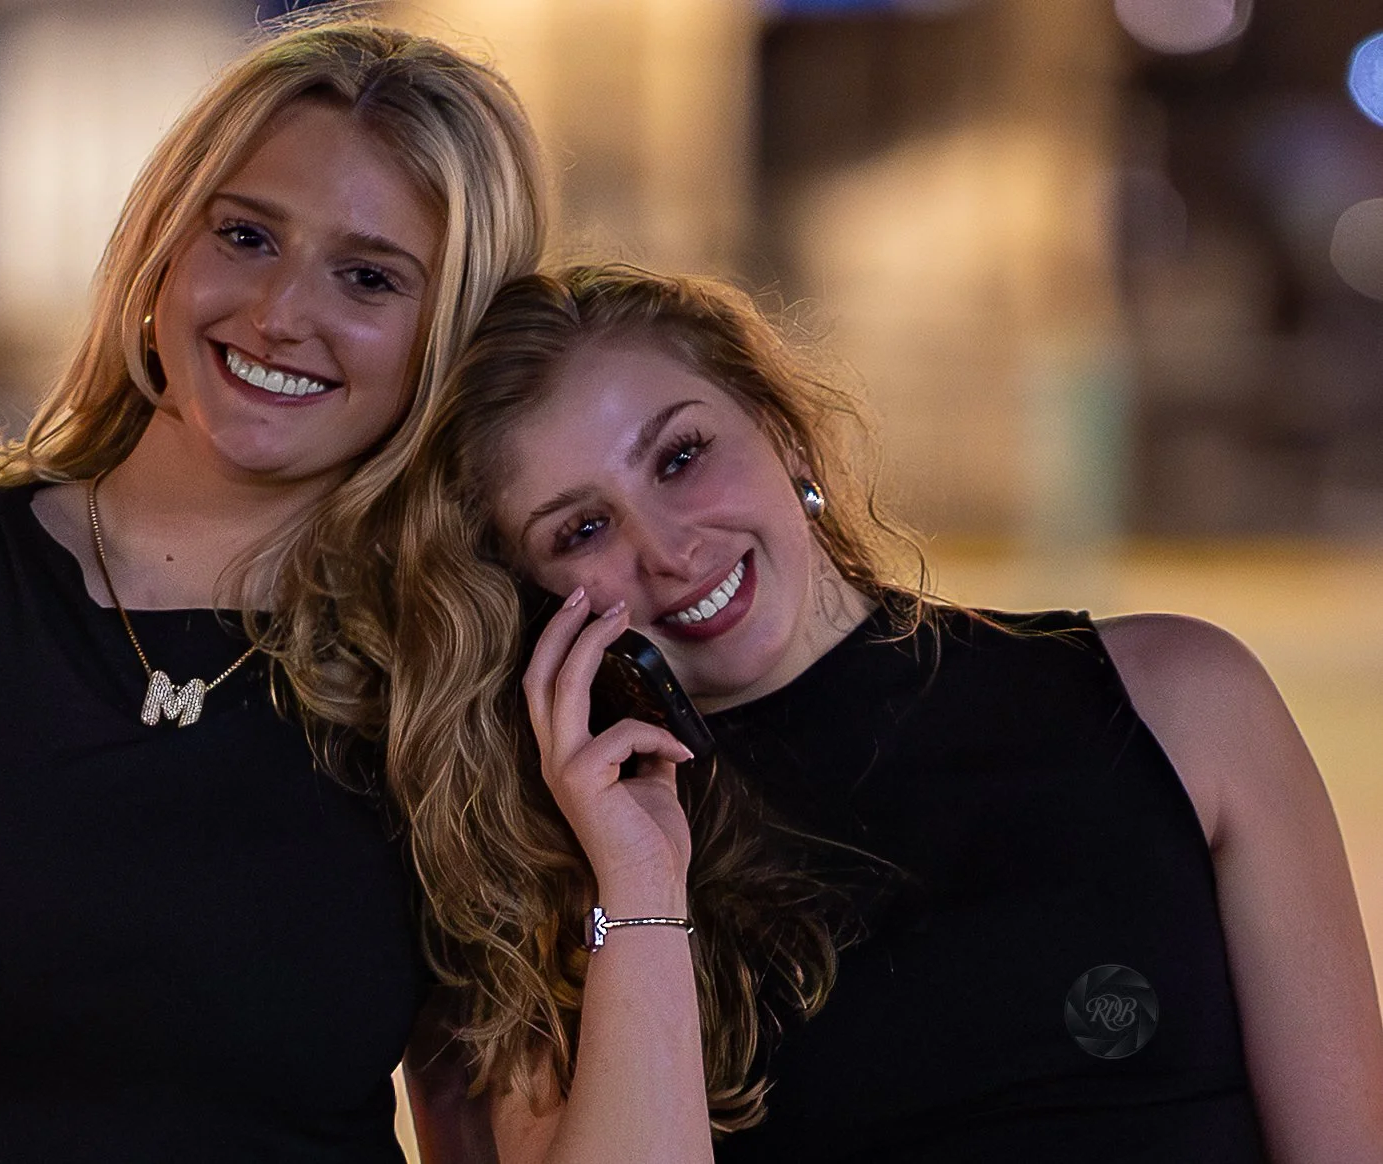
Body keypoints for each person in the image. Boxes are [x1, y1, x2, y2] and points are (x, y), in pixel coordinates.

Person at [0, 18, 545, 1162]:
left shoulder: (453, 669)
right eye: (247, 235)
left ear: (448, 336)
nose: (279, 312)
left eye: (367, 276)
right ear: (165, 245)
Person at [385, 264, 1383, 1162]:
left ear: (778, 427)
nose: (668, 549)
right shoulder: (543, 879)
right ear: (532, 597)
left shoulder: (1182, 702)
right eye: (583, 528)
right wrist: (641, 883)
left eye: (682, 456)